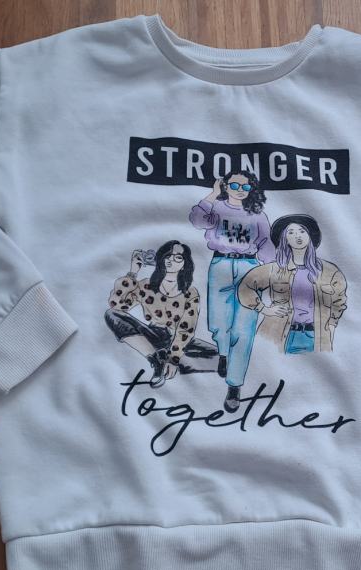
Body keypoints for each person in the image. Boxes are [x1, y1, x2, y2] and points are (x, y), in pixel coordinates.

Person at [189, 171, 275, 412]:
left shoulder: (258, 215)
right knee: (218, 323)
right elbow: (196, 220)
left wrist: (272, 272)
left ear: (251, 190)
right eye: (234, 185)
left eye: (245, 187)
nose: (239, 190)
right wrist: (213, 193)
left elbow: (265, 244)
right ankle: (223, 353)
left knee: (244, 330)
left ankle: (234, 385)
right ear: (225, 185)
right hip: (221, 265)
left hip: (250, 268)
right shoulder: (216, 208)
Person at [105, 240, 218, 387]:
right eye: (168, 256)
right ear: (161, 259)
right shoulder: (146, 285)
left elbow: (186, 330)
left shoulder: (190, 293)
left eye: (178, 258)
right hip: (152, 335)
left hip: (179, 340)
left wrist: (174, 358)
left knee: (223, 360)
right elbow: (118, 306)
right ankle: (156, 359)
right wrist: (132, 273)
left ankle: (170, 360)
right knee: (111, 314)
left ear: (185, 264)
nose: (171, 260)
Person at [237, 214, 347, 353]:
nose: (297, 236)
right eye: (291, 232)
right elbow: (245, 286)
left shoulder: (329, 271)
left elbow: (339, 301)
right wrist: (264, 309)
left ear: (309, 236)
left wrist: (331, 326)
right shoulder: (275, 269)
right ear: (285, 239)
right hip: (277, 336)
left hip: (316, 338)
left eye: (302, 231)